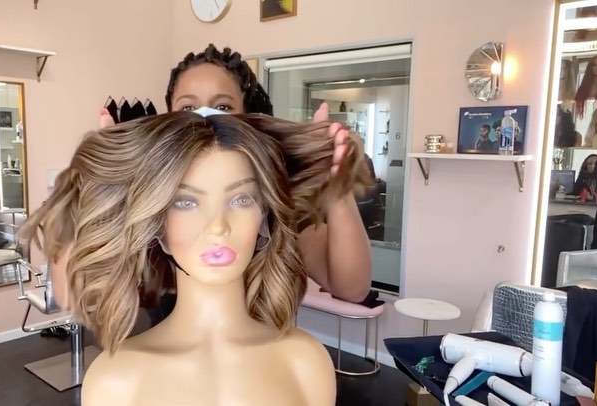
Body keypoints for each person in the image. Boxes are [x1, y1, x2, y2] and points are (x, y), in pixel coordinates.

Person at [20, 110, 372, 404]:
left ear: (264, 216)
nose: (217, 226)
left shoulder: (305, 363)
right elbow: (70, 290)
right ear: (158, 226)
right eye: (186, 202)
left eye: (241, 199)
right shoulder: (116, 381)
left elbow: (352, 283)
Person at [161, 44, 373, 306]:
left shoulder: (278, 202)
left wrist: (336, 185)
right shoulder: (153, 197)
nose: (202, 118)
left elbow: (352, 288)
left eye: (223, 106)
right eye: (187, 108)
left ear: (248, 117)